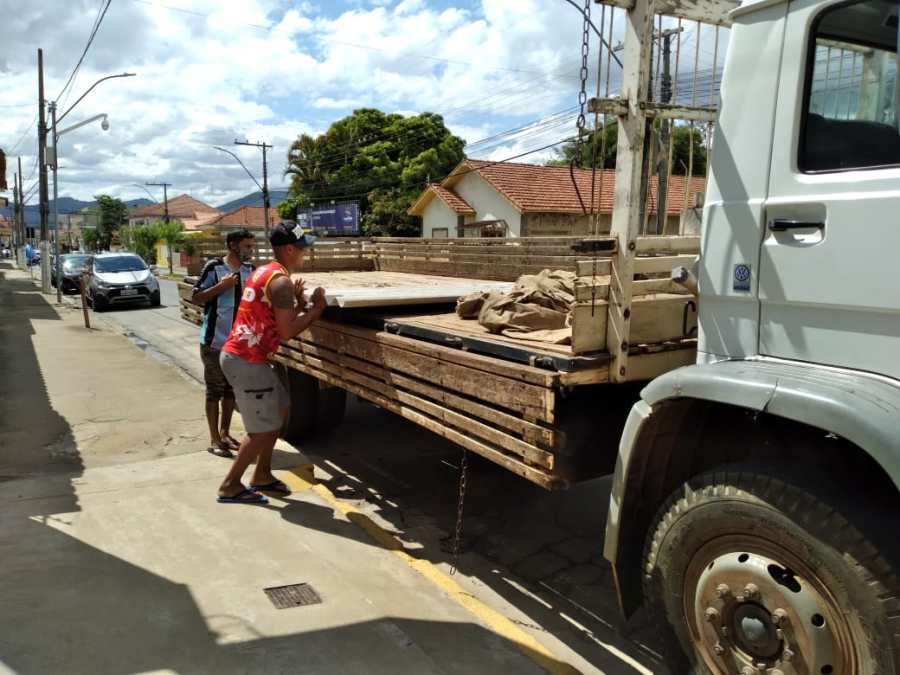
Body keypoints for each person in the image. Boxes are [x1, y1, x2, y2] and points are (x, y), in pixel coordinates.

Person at [217, 221, 326, 503]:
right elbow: (287, 332)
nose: (305, 254)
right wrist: (316, 310)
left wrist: (298, 304)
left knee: (281, 408)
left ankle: (262, 475)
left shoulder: (266, 272)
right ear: (289, 249)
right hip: (247, 361)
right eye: (302, 249)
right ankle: (230, 485)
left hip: (246, 358)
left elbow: (275, 320)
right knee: (261, 429)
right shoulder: (280, 282)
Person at [191, 229, 256, 458]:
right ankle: (214, 440)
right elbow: (196, 296)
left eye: (252, 246)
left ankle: (225, 433)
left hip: (238, 344)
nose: (251, 250)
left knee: (230, 390)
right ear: (232, 245)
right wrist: (221, 287)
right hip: (214, 343)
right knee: (214, 392)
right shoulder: (214, 267)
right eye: (247, 246)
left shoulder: (250, 270)